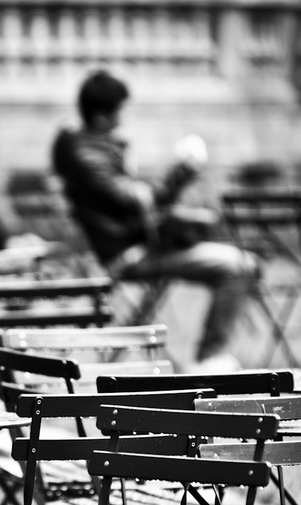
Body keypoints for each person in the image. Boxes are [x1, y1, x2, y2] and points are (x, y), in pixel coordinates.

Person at [52, 70, 259, 369]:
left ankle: (210, 357)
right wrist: (183, 172)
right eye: (119, 112)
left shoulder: (94, 150)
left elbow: (140, 202)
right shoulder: (88, 157)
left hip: (140, 247)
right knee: (238, 266)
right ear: (100, 117)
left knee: (244, 263)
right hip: (131, 255)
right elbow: (137, 201)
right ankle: (208, 361)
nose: (122, 120)